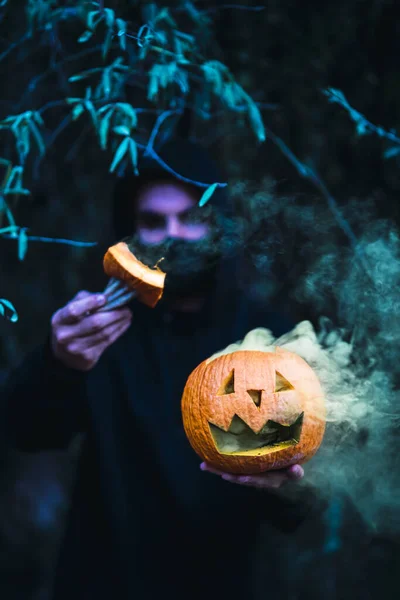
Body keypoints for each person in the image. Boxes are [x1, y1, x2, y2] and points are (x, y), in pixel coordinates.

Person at [2, 139, 327, 600]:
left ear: (217, 224)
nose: (173, 234)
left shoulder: (270, 337)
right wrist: (60, 364)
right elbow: (27, 430)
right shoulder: (99, 329)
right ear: (130, 231)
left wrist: (289, 481)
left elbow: (296, 510)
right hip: (105, 580)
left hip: (223, 582)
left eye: (190, 219)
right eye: (154, 221)